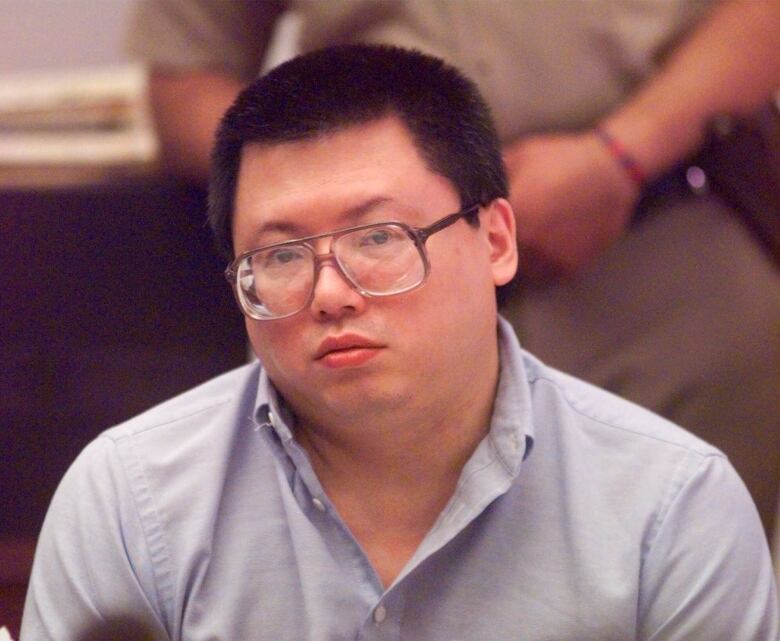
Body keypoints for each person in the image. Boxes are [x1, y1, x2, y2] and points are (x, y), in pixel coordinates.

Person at [21, 44, 778, 641]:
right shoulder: (133, 500)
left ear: (496, 240)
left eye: (379, 237)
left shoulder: (670, 508)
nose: (330, 292)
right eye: (280, 256)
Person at [125, 0, 780, 538]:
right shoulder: (123, 489)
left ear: (498, 234)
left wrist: (622, 156)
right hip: (383, 302)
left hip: (674, 248)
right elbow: (185, 81)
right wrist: (346, 190)